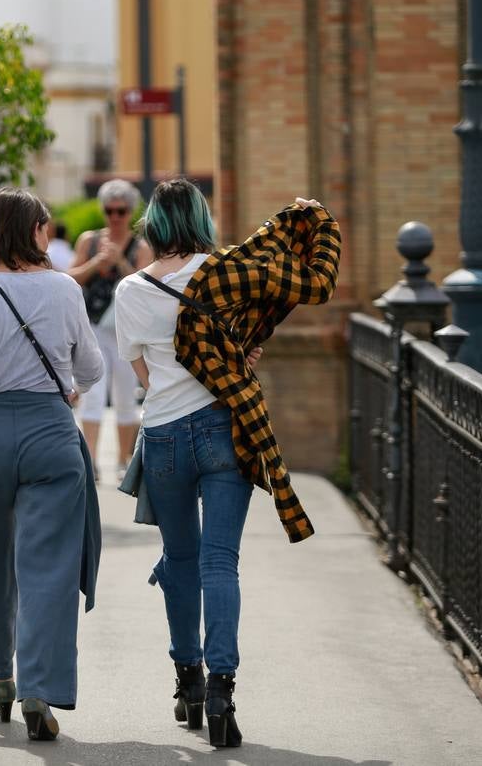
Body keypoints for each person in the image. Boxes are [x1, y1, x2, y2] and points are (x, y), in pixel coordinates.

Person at [112, 178, 341, 749]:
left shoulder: (130, 290)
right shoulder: (230, 271)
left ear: (153, 226)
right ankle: (220, 692)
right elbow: (249, 334)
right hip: (225, 430)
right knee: (221, 563)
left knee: (180, 561)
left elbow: (140, 375)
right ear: (201, 218)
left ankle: (186, 680)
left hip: (163, 436)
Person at [0, 187, 104, 742]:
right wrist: (69, 388)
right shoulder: (63, 289)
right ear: (35, 230)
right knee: (49, 565)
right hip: (50, 432)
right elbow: (92, 366)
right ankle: (39, 688)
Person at [68, 180, 152, 476]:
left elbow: (145, 285)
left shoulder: (140, 246)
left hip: (124, 330)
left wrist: (119, 262)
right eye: (109, 210)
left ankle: (122, 460)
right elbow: (71, 277)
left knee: (125, 395)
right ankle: (90, 460)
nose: (115, 216)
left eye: (121, 210)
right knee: (91, 393)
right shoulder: (89, 241)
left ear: (130, 211)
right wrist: (96, 263)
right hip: (92, 327)